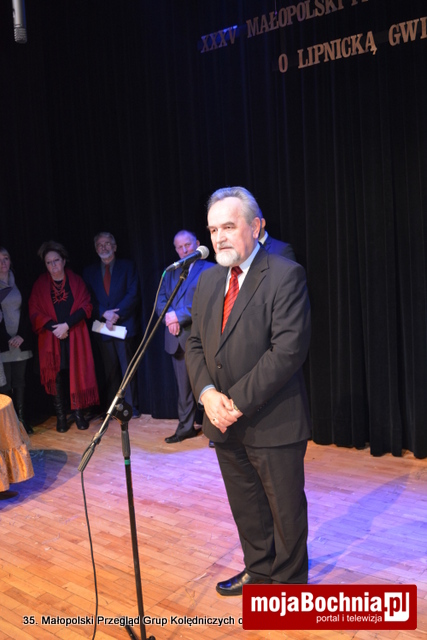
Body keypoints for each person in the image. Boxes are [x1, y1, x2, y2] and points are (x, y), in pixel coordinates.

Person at [185, 186, 312, 595]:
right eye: (212, 230)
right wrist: (207, 394)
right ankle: (258, 571)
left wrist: (233, 403)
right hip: (222, 420)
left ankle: (288, 587)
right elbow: (195, 344)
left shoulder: (284, 274)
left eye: (228, 226)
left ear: (256, 227)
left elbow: (287, 351)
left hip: (272, 420)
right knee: (246, 506)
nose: (219, 237)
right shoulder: (207, 280)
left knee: (285, 511)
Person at [29, 241, 99, 432]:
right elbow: (34, 311)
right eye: (49, 262)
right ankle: (61, 416)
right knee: (57, 376)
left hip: (75, 334)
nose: (53, 265)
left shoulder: (76, 281)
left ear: (64, 260)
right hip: (51, 337)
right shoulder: (40, 284)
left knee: (76, 373)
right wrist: (56, 329)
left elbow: (86, 306)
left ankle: (78, 413)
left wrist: (66, 325)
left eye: (56, 260)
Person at [156, 230, 213, 443]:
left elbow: (205, 301)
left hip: (200, 337)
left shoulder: (210, 269)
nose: (184, 250)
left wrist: (177, 316)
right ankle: (186, 428)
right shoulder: (171, 271)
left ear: (196, 243)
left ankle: (214, 430)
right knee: (184, 389)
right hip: (176, 337)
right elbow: (161, 300)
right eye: (179, 247)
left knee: (208, 385)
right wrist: (169, 318)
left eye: (187, 245)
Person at [83, 232, 140, 417]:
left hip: (123, 325)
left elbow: (133, 293)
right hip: (102, 327)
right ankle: (113, 408)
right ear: (95, 249)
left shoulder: (128, 266)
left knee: (127, 368)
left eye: (107, 243)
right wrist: (103, 313)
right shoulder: (89, 272)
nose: (103, 247)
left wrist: (116, 314)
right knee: (110, 370)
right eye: (100, 245)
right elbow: (87, 298)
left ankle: (131, 407)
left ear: (114, 247)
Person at [0, 247, 34, 433]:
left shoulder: (19, 282)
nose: (3, 262)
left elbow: (28, 311)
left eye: (5, 258)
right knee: (5, 384)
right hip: (3, 344)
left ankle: (21, 422)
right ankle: (10, 426)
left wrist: (21, 335)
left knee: (20, 381)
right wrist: (7, 339)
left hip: (20, 341)